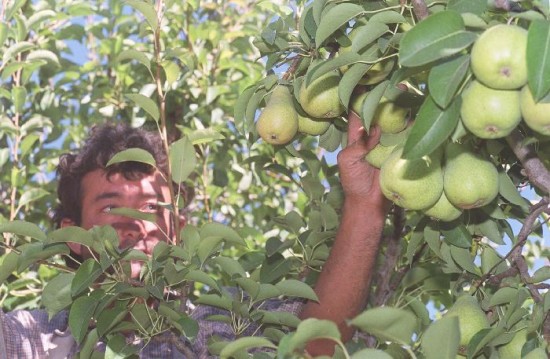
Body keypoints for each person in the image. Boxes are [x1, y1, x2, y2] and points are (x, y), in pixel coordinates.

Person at [0, 111, 388, 358]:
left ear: (178, 229)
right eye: (109, 206)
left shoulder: (231, 322)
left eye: (152, 207)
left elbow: (316, 341)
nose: (133, 220)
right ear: (73, 237)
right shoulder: (39, 340)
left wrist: (364, 205)